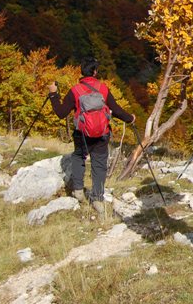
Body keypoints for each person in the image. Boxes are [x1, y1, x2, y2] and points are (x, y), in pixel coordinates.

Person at [48, 57, 136, 213]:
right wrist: (130, 118)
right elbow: (115, 110)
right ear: (95, 72)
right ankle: (97, 199)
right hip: (102, 133)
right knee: (99, 164)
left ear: (82, 71)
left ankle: (78, 190)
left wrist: (53, 95)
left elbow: (61, 113)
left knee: (78, 157)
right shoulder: (103, 88)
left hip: (82, 133)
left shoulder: (75, 90)